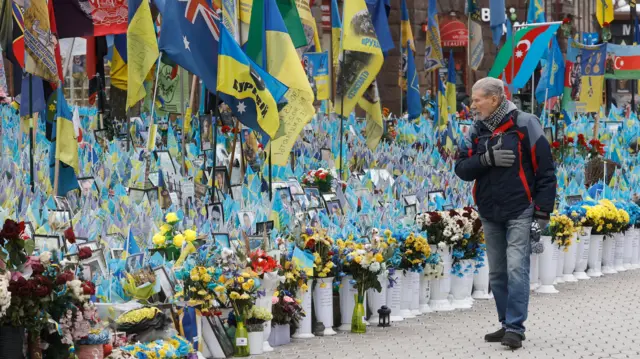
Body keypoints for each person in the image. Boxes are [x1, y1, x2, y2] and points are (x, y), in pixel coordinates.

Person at [454, 78, 556, 349]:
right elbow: (461, 168)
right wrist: (485, 159)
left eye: (477, 99)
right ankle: (505, 322)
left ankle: (515, 327)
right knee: (498, 272)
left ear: (495, 99)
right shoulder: (475, 130)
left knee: (516, 268)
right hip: (489, 211)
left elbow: (546, 169)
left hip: (520, 209)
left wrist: (543, 211)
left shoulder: (525, 123)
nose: (472, 104)